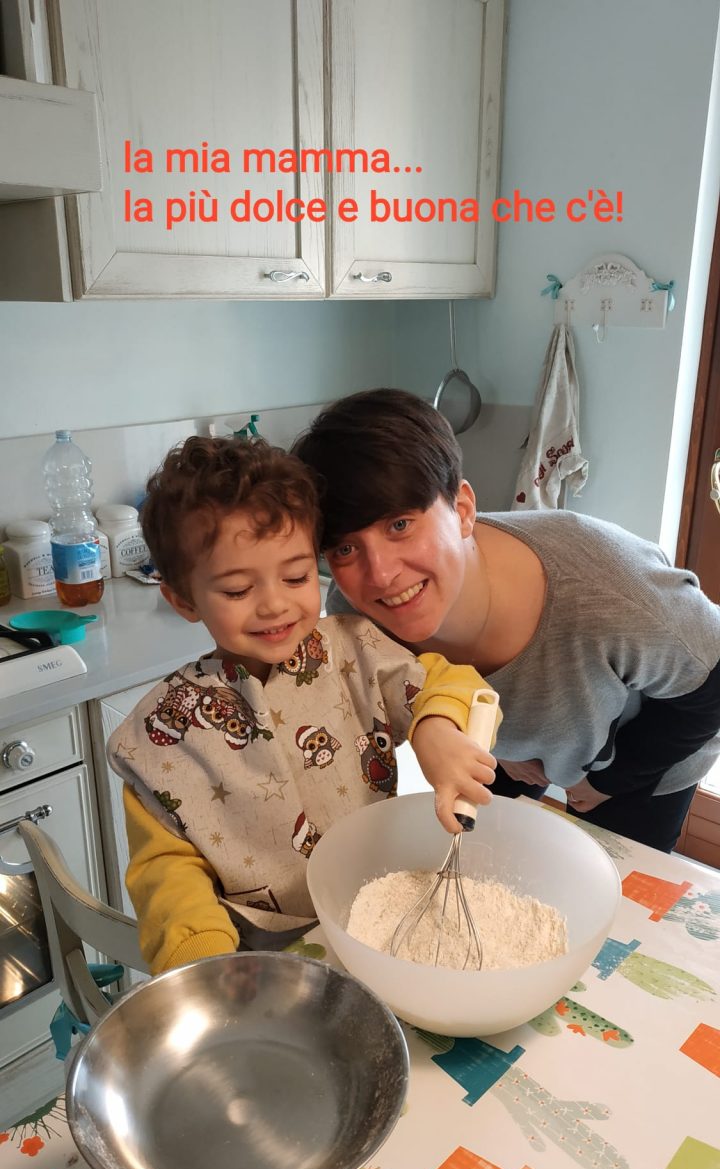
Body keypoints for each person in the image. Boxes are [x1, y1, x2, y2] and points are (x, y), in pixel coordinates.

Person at [108, 436, 499, 974]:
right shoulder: (167, 731)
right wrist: (201, 959)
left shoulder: (356, 651)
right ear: (183, 599)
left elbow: (452, 683)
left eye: (296, 577)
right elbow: (167, 870)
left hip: (371, 913)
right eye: (237, 590)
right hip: (258, 954)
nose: (275, 604)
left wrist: (436, 728)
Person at [292, 388, 720, 854]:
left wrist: (608, 782)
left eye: (400, 525)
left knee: (620, 873)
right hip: (514, 742)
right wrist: (499, 750)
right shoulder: (355, 611)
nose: (380, 575)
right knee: (482, 856)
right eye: (345, 548)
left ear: (462, 510)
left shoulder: (609, 590)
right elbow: (404, 692)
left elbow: (711, 687)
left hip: (645, 748)